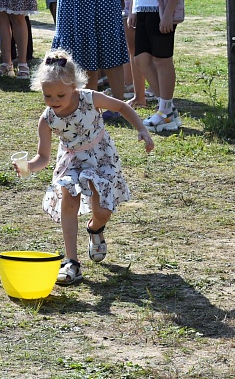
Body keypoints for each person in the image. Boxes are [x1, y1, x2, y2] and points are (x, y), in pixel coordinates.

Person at [17, 50, 154, 285]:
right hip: (71, 160)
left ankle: (95, 229)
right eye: (47, 95)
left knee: (102, 211)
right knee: (68, 197)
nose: (54, 101)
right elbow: (43, 156)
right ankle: (72, 262)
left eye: (60, 94)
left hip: (101, 156)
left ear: (74, 86)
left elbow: (122, 107)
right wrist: (29, 166)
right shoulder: (47, 119)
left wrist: (141, 129)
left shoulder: (90, 98)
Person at [128, 0, 185, 132]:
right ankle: (167, 108)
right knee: (141, 59)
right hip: (142, 9)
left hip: (160, 10)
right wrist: (134, 9)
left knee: (162, 60)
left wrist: (168, 15)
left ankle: (165, 110)